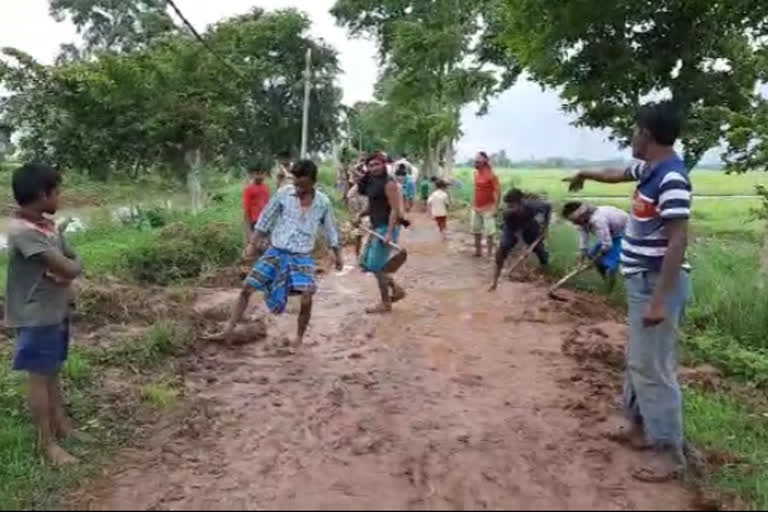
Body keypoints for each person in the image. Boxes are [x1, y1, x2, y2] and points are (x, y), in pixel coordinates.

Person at [564, 101, 692, 483]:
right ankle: (637, 427)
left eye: (635, 130)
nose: (632, 137)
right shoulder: (650, 169)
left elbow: (678, 240)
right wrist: (585, 172)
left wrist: (659, 300)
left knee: (653, 367)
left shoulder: (670, 178)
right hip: (641, 281)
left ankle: (669, 451)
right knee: (638, 360)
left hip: (657, 284)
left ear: (648, 135)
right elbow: (618, 173)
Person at [214, 159, 343, 346]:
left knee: (307, 296)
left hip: (301, 256)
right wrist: (252, 243)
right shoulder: (284, 194)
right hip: (276, 251)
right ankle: (228, 330)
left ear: (313, 182)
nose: (298, 189)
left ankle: (298, 339)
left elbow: (331, 229)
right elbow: (266, 219)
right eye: (296, 183)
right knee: (247, 288)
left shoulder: (323, 203)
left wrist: (337, 254)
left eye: (303, 185)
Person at [6, 163, 85, 466]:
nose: (60, 197)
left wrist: (72, 261)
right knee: (39, 377)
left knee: (52, 371)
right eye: (57, 191)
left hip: (55, 310)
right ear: (42, 194)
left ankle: (62, 426)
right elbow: (68, 265)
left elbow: (69, 255)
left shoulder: (45, 226)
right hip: (36, 314)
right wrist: (74, 264)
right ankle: (47, 443)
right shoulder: (22, 232)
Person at [357, 151, 406, 314]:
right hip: (376, 227)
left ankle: (386, 303)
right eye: (370, 165)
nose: (373, 168)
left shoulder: (389, 183)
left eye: (377, 164)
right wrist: (361, 214)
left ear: (384, 165)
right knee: (371, 265)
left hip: (386, 228)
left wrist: (390, 233)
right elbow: (374, 204)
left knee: (378, 268)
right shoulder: (372, 182)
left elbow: (394, 210)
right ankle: (396, 290)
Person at [489, 188, 551, 291]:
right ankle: (494, 282)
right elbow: (516, 232)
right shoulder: (507, 214)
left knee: (540, 250)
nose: (509, 208)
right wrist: (522, 246)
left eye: (512, 205)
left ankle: (546, 270)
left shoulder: (533, 206)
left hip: (529, 225)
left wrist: (545, 228)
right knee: (502, 250)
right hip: (512, 228)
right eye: (508, 205)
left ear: (521, 203)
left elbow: (548, 207)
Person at [562, 201, 629, 291]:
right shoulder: (582, 221)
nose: (574, 223)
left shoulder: (598, 220)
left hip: (625, 233)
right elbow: (584, 239)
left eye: (575, 220)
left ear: (582, 216)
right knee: (592, 256)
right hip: (611, 235)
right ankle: (605, 280)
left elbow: (607, 245)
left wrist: (596, 258)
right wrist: (582, 256)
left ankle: (609, 289)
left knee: (610, 266)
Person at [471, 151, 501, 257]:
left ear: (484, 162)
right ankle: (478, 251)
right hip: (476, 207)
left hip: (488, 208)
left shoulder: (492, 175)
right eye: (475, 161)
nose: (475, 164)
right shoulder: (475, 174)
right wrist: (473, 204)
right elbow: (476, 190)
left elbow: (498, 192)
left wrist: (496, 208)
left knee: (490, 233)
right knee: (476, 230)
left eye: (477, 162)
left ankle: (489, 254)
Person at [242, 160, 271, 244]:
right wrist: (249, 233)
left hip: (266, 223)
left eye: (262, 173)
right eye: (257, 173)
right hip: (255, 224)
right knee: (254, 247)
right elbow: (246, 211)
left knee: (265, 247)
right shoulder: (248, 189)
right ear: (252, 174)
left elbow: (268, 207)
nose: (260, 176)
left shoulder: (266, 187)